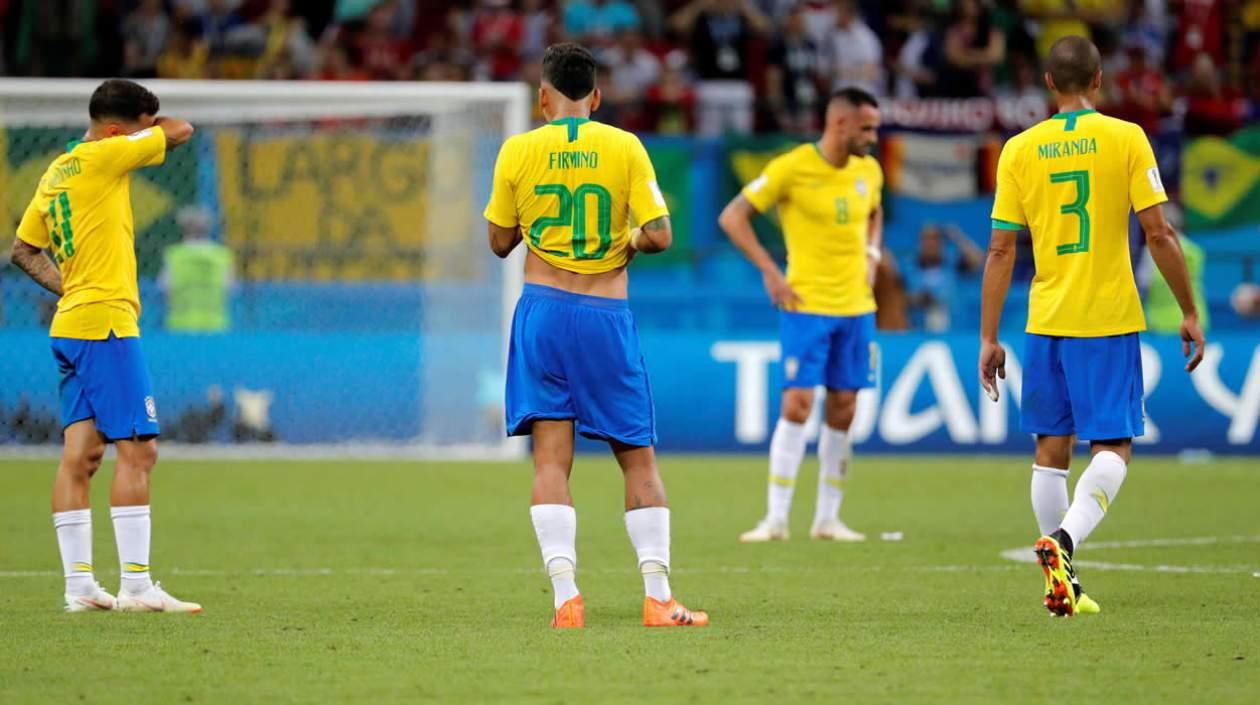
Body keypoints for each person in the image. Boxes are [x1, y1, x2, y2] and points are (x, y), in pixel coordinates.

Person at [483, 43, 708, 629]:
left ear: (542, 98)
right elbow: (659, 234)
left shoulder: (518, 150)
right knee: (637, 460)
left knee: (550, 462)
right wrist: (626, 242)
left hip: (542, 313)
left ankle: (567, 601)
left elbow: (499, 241)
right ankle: (658, 598)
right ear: (597, 97)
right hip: (603, 314)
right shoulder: (625, 146)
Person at [980, 36, 1205, 618]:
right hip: (1105, 315)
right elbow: (1158, 232)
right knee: (1113, 447)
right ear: (1100, 80)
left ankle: (1061, 582)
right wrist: (1188, 309)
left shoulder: (1019, 150)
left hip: (1045, 318)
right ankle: (1064, 543)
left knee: (1051, 450)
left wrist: (988, 336)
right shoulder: (1126, 137)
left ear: (1049, 85)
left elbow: (1001, 250)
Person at [8, 79, 201, 613]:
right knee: (140, 450)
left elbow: (23, 250)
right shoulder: (106, 155)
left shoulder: (56, 171)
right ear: (117, 130)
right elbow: (182, 130)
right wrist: (151, 130)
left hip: (71, 323)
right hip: (107, 326)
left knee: (81, 455)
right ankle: (137, 587)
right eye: (139, 129)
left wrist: (69, 288)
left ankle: (79, 589)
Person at [718, 88, 884, 544]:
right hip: (805, 305)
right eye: (866, 128)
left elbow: (874, 212)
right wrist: (771, 272)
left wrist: (872, 255)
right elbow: (733, 217)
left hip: (856, 308)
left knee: (845, 407)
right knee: (798, 404)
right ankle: (775, 520)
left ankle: (828, 519)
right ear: (839, 124)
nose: (873, 136)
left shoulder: (869, 170)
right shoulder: (792, 167)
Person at [159, 206, 235, 333]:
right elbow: (229, 288)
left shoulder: (175, 255)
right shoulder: (222, 256)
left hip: (180, 324)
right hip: (215, 323)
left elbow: (165, 288)